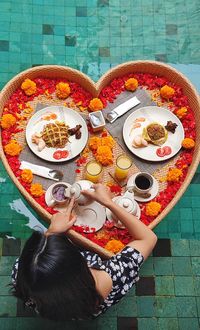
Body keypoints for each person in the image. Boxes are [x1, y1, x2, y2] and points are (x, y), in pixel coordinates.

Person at [11, 184, 157, 321]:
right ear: (78, 259)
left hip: (52, 309)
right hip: (88, 308)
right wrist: (109, 202)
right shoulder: (105, 280)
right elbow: (148, 238)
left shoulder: (21, 273)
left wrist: (52, 231)